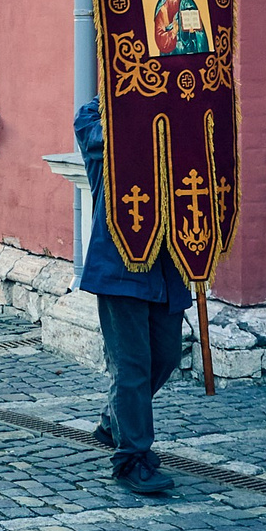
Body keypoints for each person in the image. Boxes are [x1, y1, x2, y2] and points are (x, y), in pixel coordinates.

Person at [73, 97, 189, 497]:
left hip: (167, 265)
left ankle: (114, 421)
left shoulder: (177, 113)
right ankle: (132, 458)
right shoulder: (94, 116)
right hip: (121, 264)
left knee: (167, 356)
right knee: (133, 365)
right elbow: (116, 140)